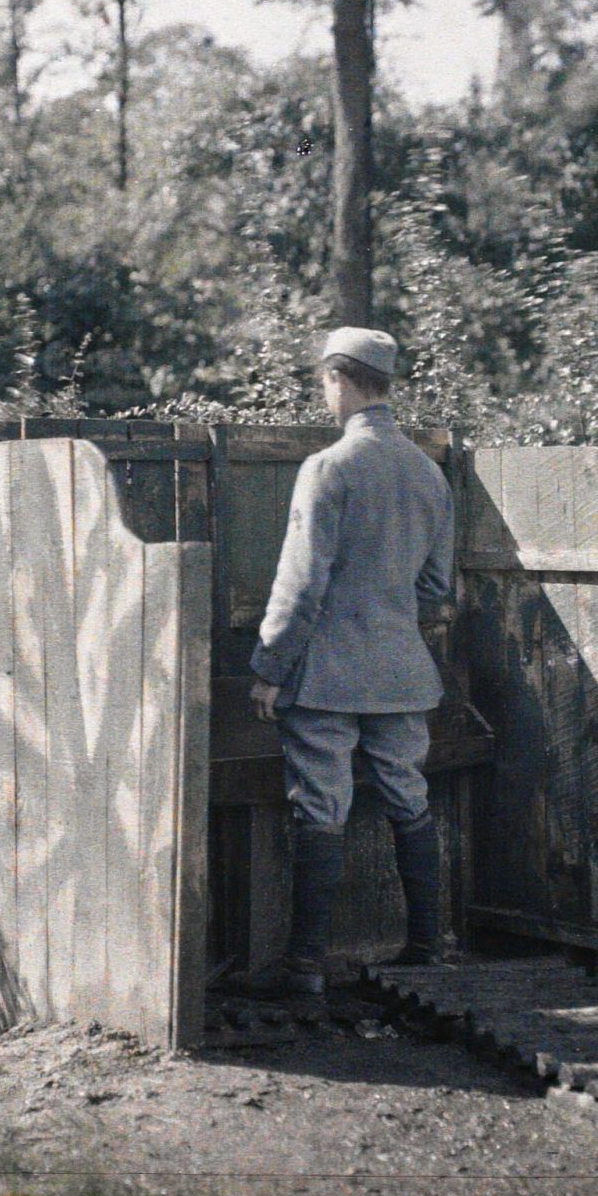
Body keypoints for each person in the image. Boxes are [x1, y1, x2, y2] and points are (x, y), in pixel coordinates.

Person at [242, 326, 456, 1000]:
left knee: (321, 809)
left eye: (324, 379)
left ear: (340, 378)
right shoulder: (428, 472)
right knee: (410, 800)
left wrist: (270, 668)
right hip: (401, 673)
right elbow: (436, 588)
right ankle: (427, 947)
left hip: (327, 677)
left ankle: (305, 966)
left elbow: (301, 585)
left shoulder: (328, 469)